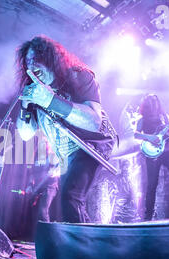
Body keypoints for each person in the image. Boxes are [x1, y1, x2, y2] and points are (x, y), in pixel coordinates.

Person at [16, 36, 117, 223]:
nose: (31, 67)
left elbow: (94, 121)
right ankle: (90, 244)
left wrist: (50, 101)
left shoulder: (78, 76)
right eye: (27, 63)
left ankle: (82, 251)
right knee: (69, 203)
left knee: (70, 196)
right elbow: (25, 134)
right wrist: (24, 106)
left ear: (51, 59)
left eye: (36, 59)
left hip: (92, 145)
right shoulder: (35, 90)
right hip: (67, 155)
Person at [134, 94, 169, 221]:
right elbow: (136, 134)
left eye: (155, 101)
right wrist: (150, 137)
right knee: (152, 184)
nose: (154, 103)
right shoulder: (142, 119)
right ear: (146, 104)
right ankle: (148, 216)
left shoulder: (164, 117)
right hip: (153, 153)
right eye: (151, 101)